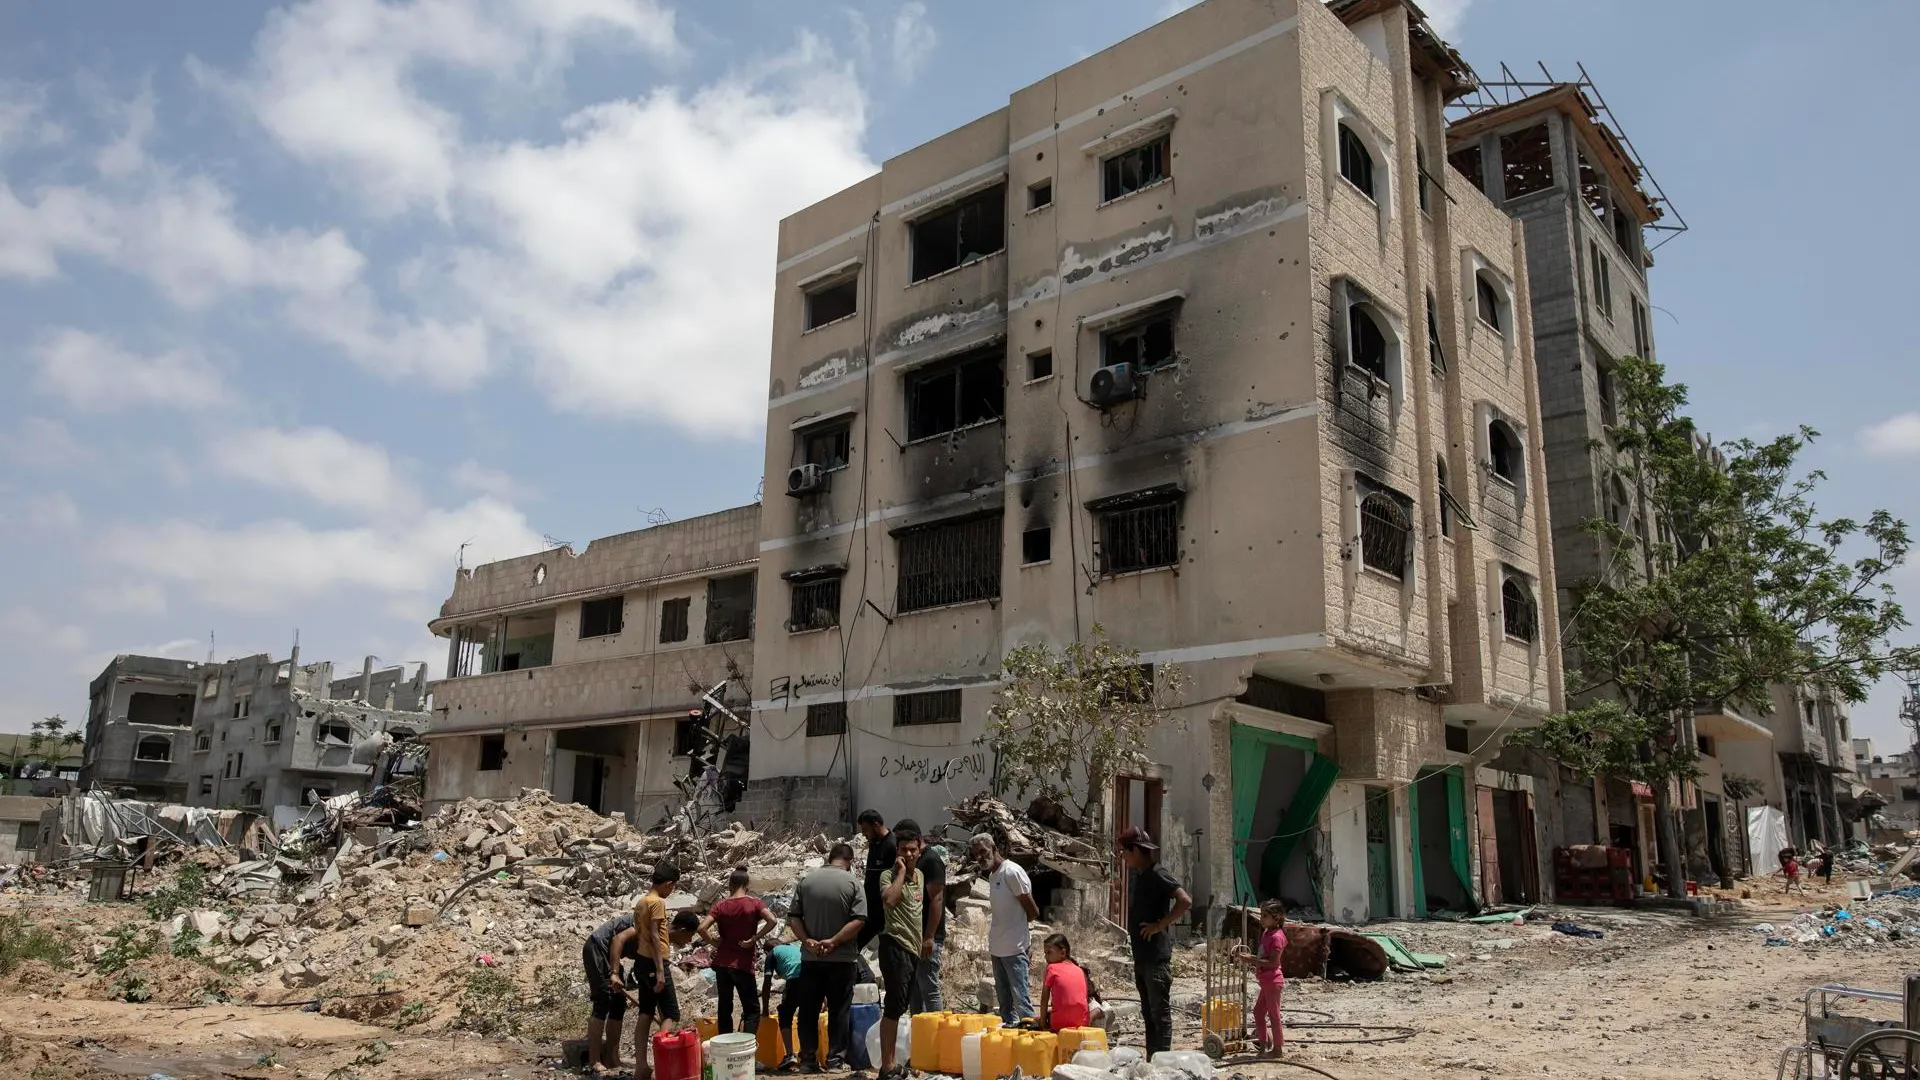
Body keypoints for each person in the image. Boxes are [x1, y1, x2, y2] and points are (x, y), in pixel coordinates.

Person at [788, 842, 867, 1073]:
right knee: (838, 1011)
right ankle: (835, 1061)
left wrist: (807, 941)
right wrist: (834, 942)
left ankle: (808, 1060)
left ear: (829, 857)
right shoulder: (853, 884)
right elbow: (859, 920)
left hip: (811, 960)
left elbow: (793, 917)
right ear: (850, 862)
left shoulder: (806, 881)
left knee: (809, 1010)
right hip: (842, 960)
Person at [1118, 826, 1190, 1056]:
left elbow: (1184, 900)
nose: (1124, 857)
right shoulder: (1142, 876)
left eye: (1126, 852)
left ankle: (1163, 1062)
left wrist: (1159, 925)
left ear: (1136, 850)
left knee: (1160, 1014)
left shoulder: (1159, 874)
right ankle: (1153, 1059)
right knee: (1148, 1013)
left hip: (1155, 958)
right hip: (1142, 956)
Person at [970, 832, 1038, 1025]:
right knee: (1005, 1004)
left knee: (1021, 1000)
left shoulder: (1011, 872)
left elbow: (1032, 910)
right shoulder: (992, 875)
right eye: (976, 854)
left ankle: (1031, 1039)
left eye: (983, 851)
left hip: (1015, 948)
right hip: (998, 948)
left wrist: (1021, 934)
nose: (980, 857)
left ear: (994, 849)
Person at [700, 866, 778, 1035]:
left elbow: (701, 928)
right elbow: (772, 920)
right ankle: (747, 1052)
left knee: (724, 1008)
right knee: (751, 1009)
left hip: (722, 964)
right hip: (742, 964)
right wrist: (754, 939)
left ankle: (726, 1048)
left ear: (730, 885)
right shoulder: (754, 904)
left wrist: (714, 942)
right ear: (747, 885)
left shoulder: (720, 906)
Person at [877, 820, 926, 1080]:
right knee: (893, 1007)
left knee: (901, 1005)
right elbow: (890, 900)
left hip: (913, 950)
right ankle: (887, 1066)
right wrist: (899, 873)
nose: (908, 854)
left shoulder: (920, 876)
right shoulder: (888, 875)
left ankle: (893, 1064)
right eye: (903, 850)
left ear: (920, 850)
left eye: (912, 850)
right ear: (897, 852)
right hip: (894, 945)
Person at [629, 862, 685, 1080]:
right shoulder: (657, 903)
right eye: (672, 887)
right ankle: (664, 1063)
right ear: (668, 884)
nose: (671, 892)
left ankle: (641, 1067)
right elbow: (655, 936)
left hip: (641, 961)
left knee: (646, 1012)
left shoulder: (641, 902)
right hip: (655, 962)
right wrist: (661, 970)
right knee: (671, 1013)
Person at [582, 911, 641, 1077]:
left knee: (618, 1003)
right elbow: (617, 940)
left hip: (610, 954)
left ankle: (612, 1057)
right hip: (598, 948)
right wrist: (614, 973)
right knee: (603, 1000)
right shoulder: (650, 924)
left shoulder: (660, 941)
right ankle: (594, 1060)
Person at [1234, 900, 1288, 1058]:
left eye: (1265, 916)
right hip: (1265, 980)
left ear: (1276, 918)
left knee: (1274, 1015)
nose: (1261, 919)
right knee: (1258, 1012)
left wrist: (1251, 959)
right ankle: (1263, 1046)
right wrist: (1252, 958)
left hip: (1273, 980)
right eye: (1261, 915)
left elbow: (1273, 962)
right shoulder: (1266, 934)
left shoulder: (1277, 937)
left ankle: (1277, 1049)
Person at [911, 841, 948, 1014]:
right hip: (916, 936)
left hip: (929, 936)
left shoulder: (931, 861)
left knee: (928, 987)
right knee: (916, 988)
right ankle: (918, 1030)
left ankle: (935, 1032)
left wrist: (929, 937)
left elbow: (937, 899)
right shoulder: (917, 861)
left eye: (910, 848)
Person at [1037, 933, 1096, 1034]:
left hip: (1060, 1024)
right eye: (1045, 953)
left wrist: (1042, 1024)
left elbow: (1044, 998)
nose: (1046, 957)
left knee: (1045, 1016)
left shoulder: (1051, 968)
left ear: (1063, 953)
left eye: (1049, 953)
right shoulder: (1079, 970)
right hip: (1082, 1023)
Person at [856, 810, 896, 950]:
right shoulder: (874, 843)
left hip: (884, 909)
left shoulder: (891, 845)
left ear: (876, 825)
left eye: (865, 830)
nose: (863, 834)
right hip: (870, 905)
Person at [766, 938, 808, 1072]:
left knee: (785, 1014)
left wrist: (765, 1008)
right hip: (811, 979)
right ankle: (807, 1055)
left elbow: (766, 983)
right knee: (807, 1017)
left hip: (795, 981)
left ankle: (790, 1055)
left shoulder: (772, 953)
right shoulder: (795, 947)